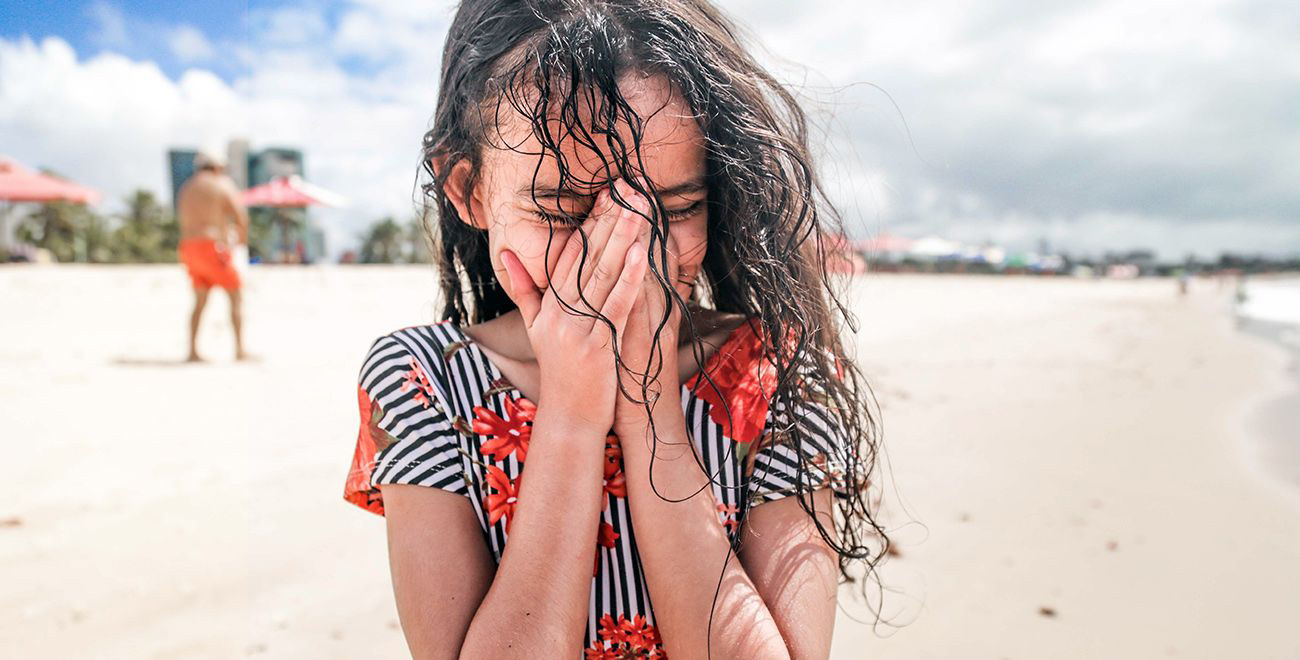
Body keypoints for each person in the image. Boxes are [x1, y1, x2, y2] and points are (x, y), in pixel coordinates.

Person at [343, 1, 889, 656]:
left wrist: (650, 413)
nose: (630, 250)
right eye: (564, 206)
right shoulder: (422, 381)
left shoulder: (776, 372)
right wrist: (572, 417)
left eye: (677, 206)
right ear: (470, 190)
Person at [177, 149, 250, 362]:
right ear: (218, 167)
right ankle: (239, 350)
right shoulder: (222, 184)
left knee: (199, 301)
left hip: (188, 248)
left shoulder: (187, 187)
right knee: (235, 295)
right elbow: (241, 217)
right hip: (212, 246)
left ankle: (192, 351)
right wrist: (241, 244)